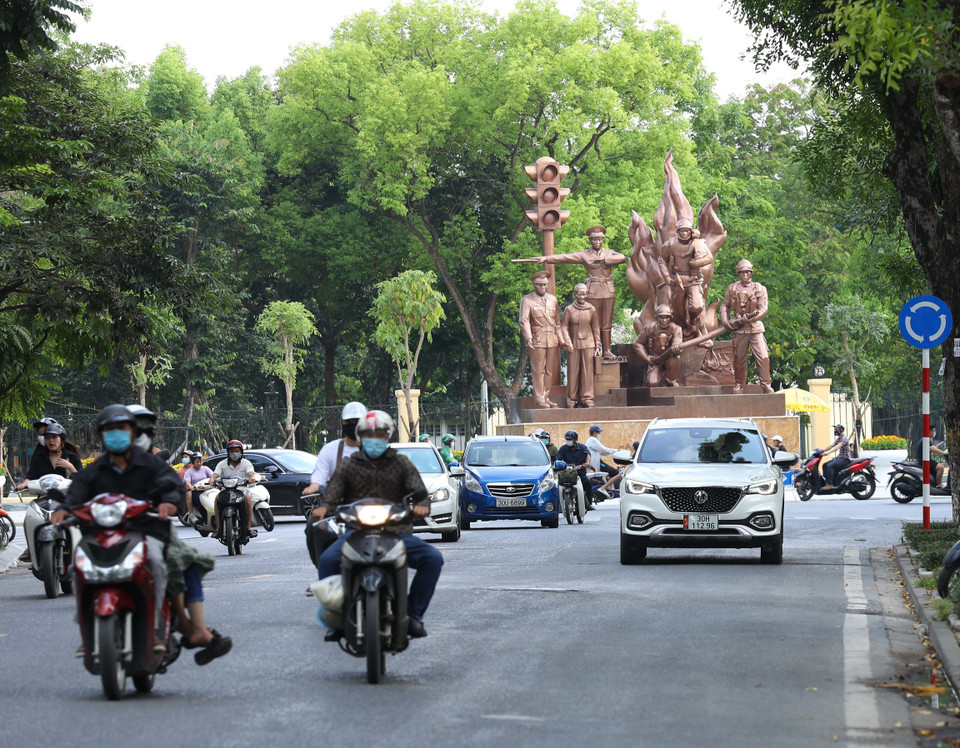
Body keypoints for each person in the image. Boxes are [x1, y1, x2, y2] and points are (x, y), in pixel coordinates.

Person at [51, 405, 231, 664]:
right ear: (101, 435)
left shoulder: (151, 465)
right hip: (99, 536)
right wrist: (64, 509)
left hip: (147, 534)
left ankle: (157, 624)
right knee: (77, 567)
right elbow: (76, 493)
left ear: (132, 432)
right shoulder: (94, 471)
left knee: (159, 563)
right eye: (109, 430)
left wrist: (170, 501)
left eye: (121, 429)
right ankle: (88, 630)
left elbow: (173, 488)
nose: (116, 435)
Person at [313, 410, 441, 639]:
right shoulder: (348, 465)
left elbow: (419, 491)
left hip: (396, 532)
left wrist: (422, 504)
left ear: (388, 435)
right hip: (356, 533)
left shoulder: (401, 463)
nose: (374, 438)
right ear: (361, 436)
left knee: (433, 559)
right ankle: (338, 617)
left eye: (380, 434)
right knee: (327, 560)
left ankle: (414, 614)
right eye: (369, 434)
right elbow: (333, 491)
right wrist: (324, 506)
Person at [302, 401, 367, 565]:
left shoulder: (377, 448)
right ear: (342, 424)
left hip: (370, 506)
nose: (354, 426)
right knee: (314, 525)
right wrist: (314, 486)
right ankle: (322, 572)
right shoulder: (331, 449)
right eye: (349, 423)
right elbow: (320, 475)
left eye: (358, 422)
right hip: (338, 506)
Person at [720, 259, 774, 394]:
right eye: (742, 273)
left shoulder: (759, 288)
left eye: (747, 273)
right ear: (738, 273)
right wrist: (726, 321)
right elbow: (724, 305)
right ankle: (739, 384)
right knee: (739, 359)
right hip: (739, 330)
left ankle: (766, 385)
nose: (745, 275)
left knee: (763, 356)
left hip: (755, 329)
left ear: (751, 273)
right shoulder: (732, 288)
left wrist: (749, 319)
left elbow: (763, 309)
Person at [657, 217, 714, 342]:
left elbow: (709, 258)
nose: (684, 233)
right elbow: (661, 260)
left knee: (697, 306)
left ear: (691, 231)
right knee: (677, 311)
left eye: (687, 231)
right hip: (678, 279)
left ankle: (693, 324)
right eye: (681, 231)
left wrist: (697, 263)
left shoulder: (698, 243)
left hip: (693, 279)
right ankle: (683, 329)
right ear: (677, 232)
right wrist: (667, 277)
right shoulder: (670, 244)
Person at [518, 270, 563, 408]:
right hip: (537, 338)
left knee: (550, 370)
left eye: (545, 285)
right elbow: (523, 320)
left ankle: (546, 396)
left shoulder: (553, 299)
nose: (543, 287)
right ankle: (539, 398)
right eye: (540, 285)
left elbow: (557, 322)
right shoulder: (527, 300)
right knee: (538, 370)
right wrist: (528, 337)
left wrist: (561, 338)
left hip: (552, 338)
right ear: (534, 285)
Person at [561, 283, 601, 408]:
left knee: (587, 372)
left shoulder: (591, 309)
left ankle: (587, 397)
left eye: (584, 293)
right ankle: (572, 398)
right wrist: (567, 342)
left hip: (588, 343)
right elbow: (563, 326)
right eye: (579, 293)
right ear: (575, 294)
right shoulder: (569, 309)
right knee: (573, 371)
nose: (582, 296)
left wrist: (597, 345)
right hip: (573, 344)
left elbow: (596, 328)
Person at [213, 440, 260, 538]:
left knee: (248, 499)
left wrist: (251, 479)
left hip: (242, 489)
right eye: (232, 451)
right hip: (226, 490)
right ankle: (218, 528)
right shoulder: (222, 464)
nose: (234, 453)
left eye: (236, 451)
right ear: (228, 452)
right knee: (217, 499)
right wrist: (212, 480)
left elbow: (251, 474)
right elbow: (214, 475)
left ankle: (248, 528)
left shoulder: (246, 463)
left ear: (241, 452)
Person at [632, 304, 683, 387]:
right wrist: (647, 358)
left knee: (675, 359)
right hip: (655, 359)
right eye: (661, 317)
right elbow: (637, 344)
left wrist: (676, 346)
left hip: (669, 358)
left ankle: (671, 379)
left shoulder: (676, 328)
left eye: (667, 317)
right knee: (652, 383)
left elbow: (677, 340)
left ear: (671, 317)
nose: (664, 320)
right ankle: (658, 376)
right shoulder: (649, 328)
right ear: (656, 317)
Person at [554, 430, 594, 509]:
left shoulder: (582, 447)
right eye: (567, 439)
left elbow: (588, 454)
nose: (568, 441)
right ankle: (559, 505)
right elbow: (558, 459)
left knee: (588, 483)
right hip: (567, 474)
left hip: (580, 473)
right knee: (558, 486)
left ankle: (588, 504)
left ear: (575, 440)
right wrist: (557, 466)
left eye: (570, 439)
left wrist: (587, 463)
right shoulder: (563, 449)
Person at [584, 425, 620, 499]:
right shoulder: (593, 440)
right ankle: (603, 488)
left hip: (595, 463)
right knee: (617, 473)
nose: (600, 434)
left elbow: (603, 452)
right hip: (597, 463)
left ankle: (608, 488)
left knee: (610, 473)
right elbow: (604, 449)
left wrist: (613, 453)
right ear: (595, 433)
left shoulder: (590, 441)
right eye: (599, 432)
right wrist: (616, 451)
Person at [182, 452, 214, 525]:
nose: (199, 463)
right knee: (189, 494)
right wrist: (191, 487)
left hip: (207, 489)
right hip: (196, 491)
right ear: (193, 462)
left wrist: (213, 480)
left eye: (200, 462)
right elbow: (187, 482)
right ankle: (191, 514)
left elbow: (213, 476)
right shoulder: (189, 471)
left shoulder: (205, 469)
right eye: (197, 462)